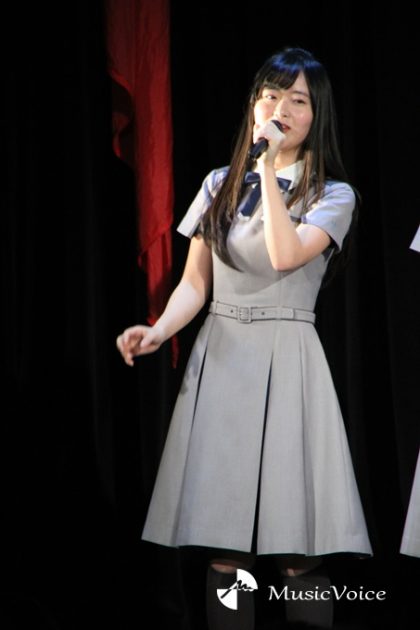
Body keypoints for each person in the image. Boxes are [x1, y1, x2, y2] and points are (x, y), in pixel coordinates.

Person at [117, 47, 372, 629]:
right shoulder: (217, 185)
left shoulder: (333, 194)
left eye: (298, 100)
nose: (281, 109)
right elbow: (194, 283)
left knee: (298, 550)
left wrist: (268, 168)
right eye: (271, 95)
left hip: (290, 360)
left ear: (317, 114)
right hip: (224, 358)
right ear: (254, 104)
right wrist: (158, 330)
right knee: (225, 550)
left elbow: (284, 255)